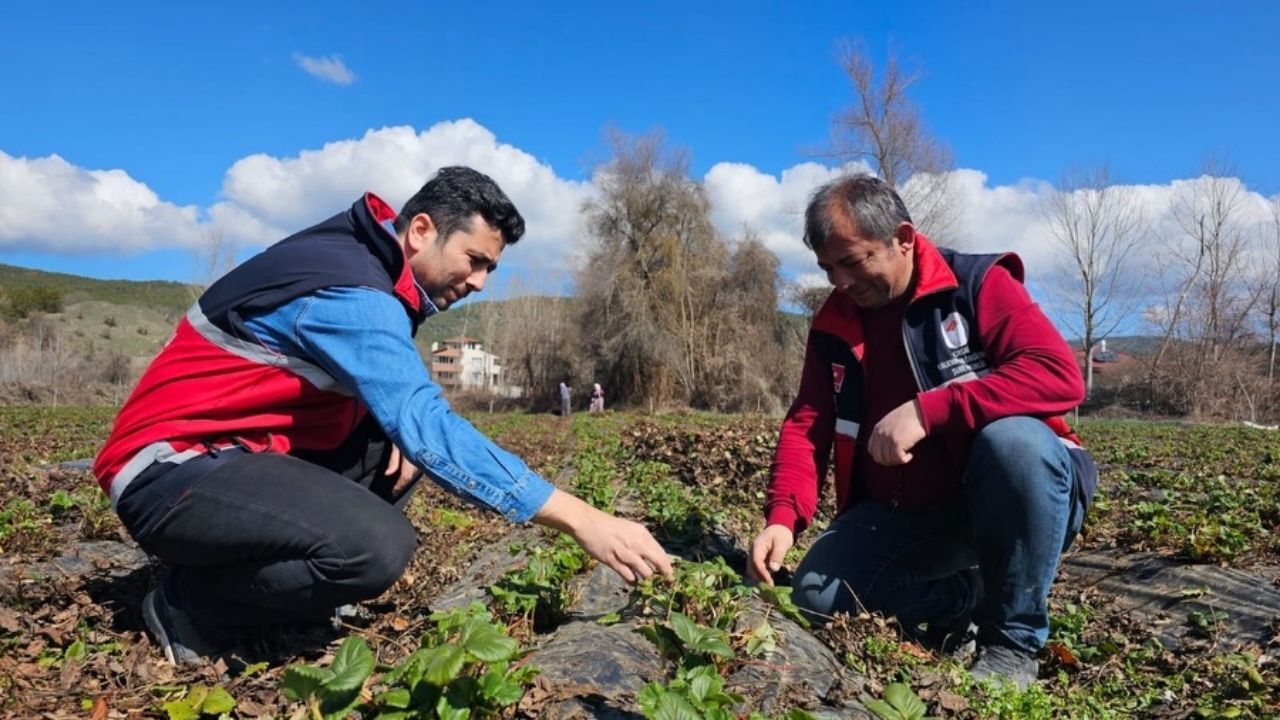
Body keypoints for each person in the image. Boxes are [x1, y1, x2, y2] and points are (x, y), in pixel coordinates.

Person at [93, 166, 672, 666]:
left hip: (231, 453)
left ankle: (288, 590)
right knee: (377, 547)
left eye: (490, 269)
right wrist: (583, 518)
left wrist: (379, 419)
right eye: (474, 260)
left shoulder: (369, 273)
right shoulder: (351, 290)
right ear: (422, 230)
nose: (479, 282)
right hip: (168, 470)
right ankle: (190, 603)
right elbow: (429, 426)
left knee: (389, 447)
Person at [747, 174, 1096, 690]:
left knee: (1015, 443)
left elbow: (1056, 372)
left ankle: (1012, 641)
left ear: (903, 238)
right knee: (817, 599)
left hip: (1018, 496)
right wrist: (783, 516)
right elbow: (809, 422)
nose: (840, 282)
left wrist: (928, 410)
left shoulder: (976, 284)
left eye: (853, 261)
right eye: (828, 268)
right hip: (909, 515)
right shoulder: (834, 323)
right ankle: (964, 597)